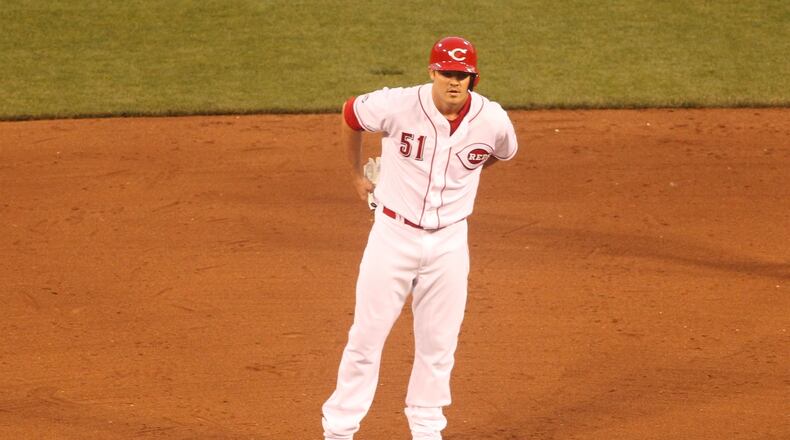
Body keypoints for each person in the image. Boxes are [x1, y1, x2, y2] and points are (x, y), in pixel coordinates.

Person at [322, 36, 519, 440]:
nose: (454, 81)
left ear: (473, 78)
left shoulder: (493, 119)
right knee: (365, 339)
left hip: (449, 243)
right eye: (447, 72)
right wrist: (357, 175)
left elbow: (499, 154)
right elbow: (350, 115)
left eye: (462, 75)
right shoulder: (397, 104)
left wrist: (459, 178)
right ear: (431, 71)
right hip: (393, 235)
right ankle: (339, 431)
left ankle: (427, 430)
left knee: (439, 345)